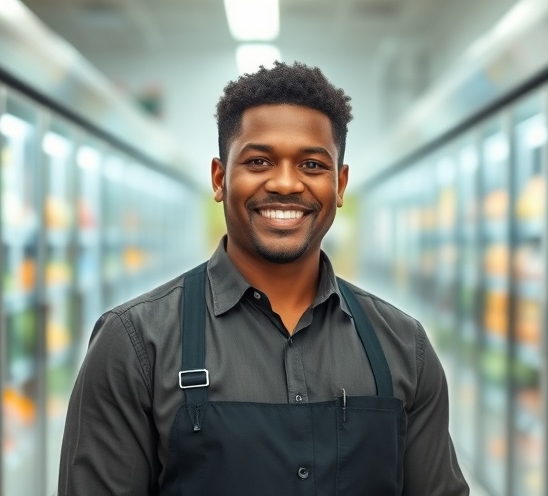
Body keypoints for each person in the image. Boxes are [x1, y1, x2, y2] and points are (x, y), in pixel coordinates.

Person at [58, 61, 470, 495]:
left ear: (340, 184)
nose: (287, 184)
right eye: (259, 161)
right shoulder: (136, 343)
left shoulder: (404, 346)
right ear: (220, 178)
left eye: (312, 165)